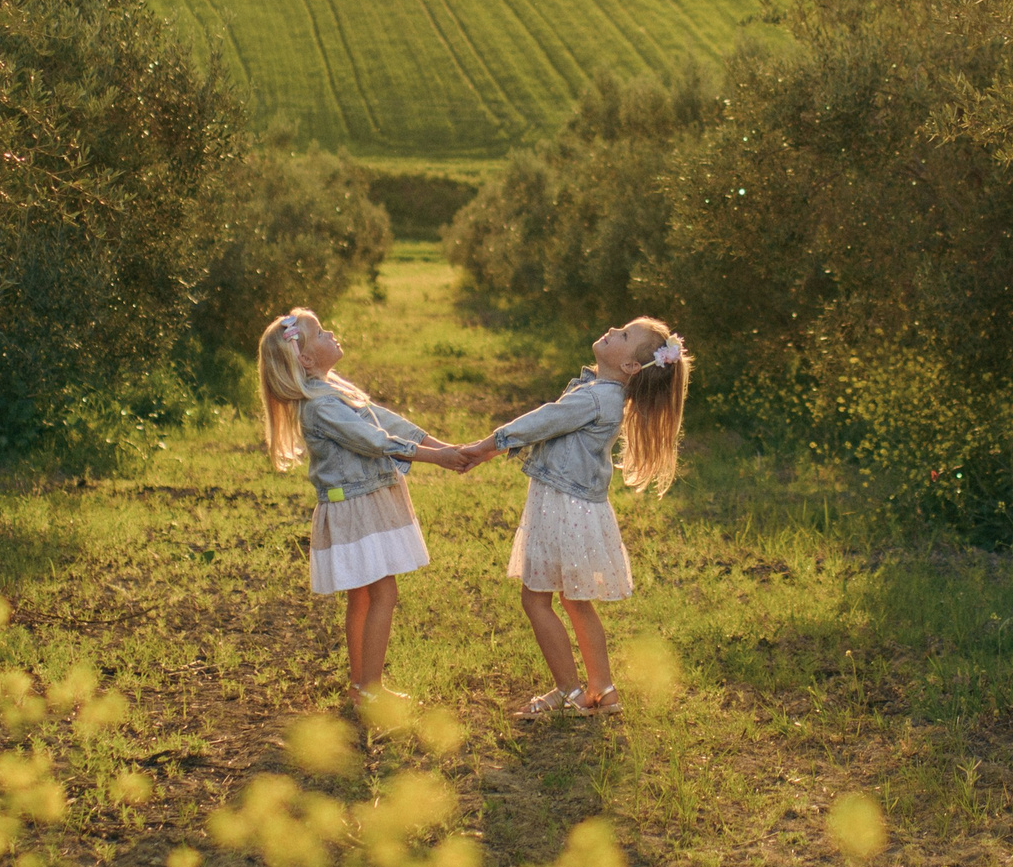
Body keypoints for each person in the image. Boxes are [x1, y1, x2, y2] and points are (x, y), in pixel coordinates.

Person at [456, 317, 690, 717]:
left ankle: (567, 692)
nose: (614, 330)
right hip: (577, 508)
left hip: (562, 507)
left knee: (536, 600)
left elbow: (542, 420)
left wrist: (486, 447)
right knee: (576, 600)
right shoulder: (601, 392)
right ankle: (604, 689)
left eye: (625, 335)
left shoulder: (596, 398)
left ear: (632, 367)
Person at [259, 307, 470, 710]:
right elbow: (373, 441)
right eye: (320, 333)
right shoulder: (320, 405)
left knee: (363, 597)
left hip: (360, 503)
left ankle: (360, 687)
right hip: (355, 507)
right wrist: (436, 458)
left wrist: (449, 449)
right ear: (304, 358)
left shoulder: (332, 389)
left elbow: (390, 423)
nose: (331, 333)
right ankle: (371, 688)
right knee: (382, 595)